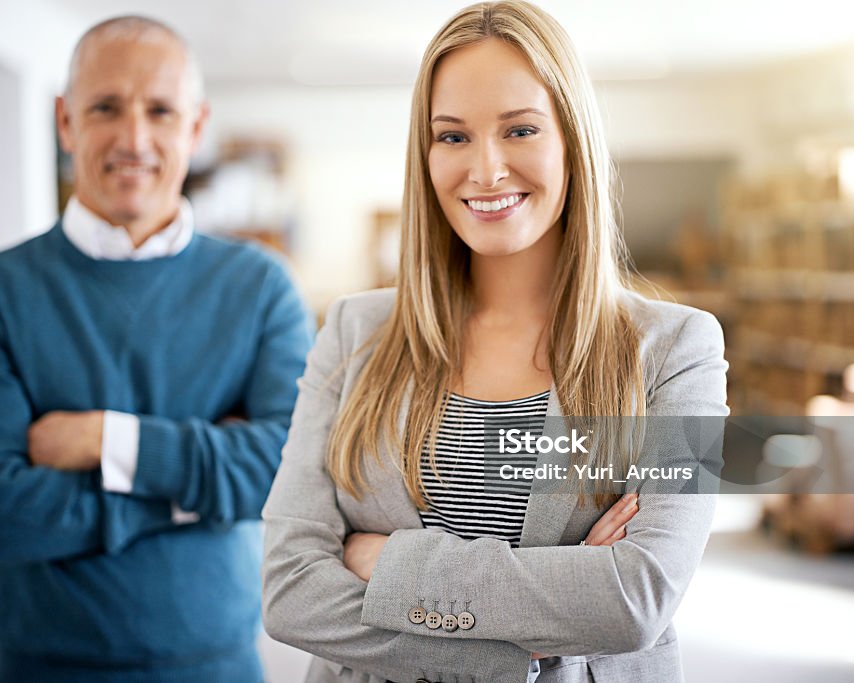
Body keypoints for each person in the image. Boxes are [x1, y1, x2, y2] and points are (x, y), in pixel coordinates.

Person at [261, 1, 728, 682]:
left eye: (520, 129)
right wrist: (525, 643)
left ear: (571, 138)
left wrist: (384, 561)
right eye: (452, 136)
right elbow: (289, 591)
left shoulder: (679, 350)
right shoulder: (354, 332)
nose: (485, 170)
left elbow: (636, 597)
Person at [0, 16, 312, 683]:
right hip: (43, 667)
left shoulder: (261, 287)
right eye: (106, 107)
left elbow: (290, 474)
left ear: (195, 127)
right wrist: (196, 487)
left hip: (218, 666)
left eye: (160, 111)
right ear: (65, 121)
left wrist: (107, 439)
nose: (133, 138)